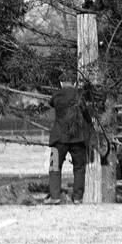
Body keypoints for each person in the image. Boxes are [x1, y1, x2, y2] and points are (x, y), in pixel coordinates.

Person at [45, 76, 89, 204]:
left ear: (60, 83)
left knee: (54, 166)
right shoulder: (80, 96)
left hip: (58, 138)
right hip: (77, 138)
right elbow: (86, 113)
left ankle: (55, 197)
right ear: (75, 83)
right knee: (79, 167)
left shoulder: (56, 95)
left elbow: (51, 103)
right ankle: (78, 197)